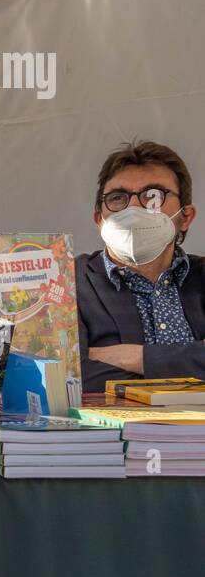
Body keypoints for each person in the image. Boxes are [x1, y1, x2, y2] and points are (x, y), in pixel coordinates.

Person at [78, 141, 204, 393]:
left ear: (185, 217)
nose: (133, 208)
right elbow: (68, 374)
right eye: (118, 198)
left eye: (153, 196)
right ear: (99, 220)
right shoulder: (66, 282)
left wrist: (135, 357)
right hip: (110, 432)